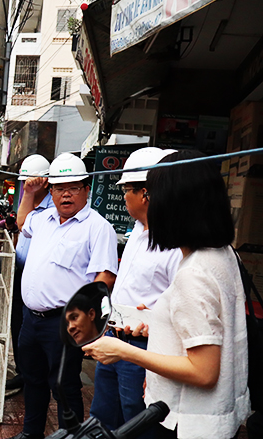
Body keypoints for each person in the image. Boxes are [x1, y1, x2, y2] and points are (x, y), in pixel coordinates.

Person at [83, 150, 250, 439]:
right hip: (215, 417)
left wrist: (123, 351)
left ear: (175, 204)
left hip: (187, 422)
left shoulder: (194, 273)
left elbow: (204, 372)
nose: (148, 202)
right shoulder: (222, 254)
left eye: (151, 193)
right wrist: (157, 322)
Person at [11, 152, 118, 439]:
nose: (66, 194)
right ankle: (30, 433)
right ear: (52, 191)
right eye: (59, 188)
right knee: (33, 380)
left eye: (73, 187)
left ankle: (70, 436)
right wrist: (29, 193)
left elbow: (105, 278)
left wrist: (85, 323)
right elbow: (22, 222)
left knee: (65, 386)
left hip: (65, 322)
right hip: (31, 319)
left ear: (86, 189)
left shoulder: (97, 228)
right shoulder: (43, 219)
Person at [89, 148, 183, 436]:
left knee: (138, 422)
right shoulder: (138, 232)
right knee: (104, 418)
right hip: (116, 338)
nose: (123, 197)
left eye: (127, 190)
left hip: (146, 350)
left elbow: (181, 309)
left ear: (146, 193)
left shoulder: (177, 243)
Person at [6, 155, 54, 390]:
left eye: (30, 182)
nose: (26, 187)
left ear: (45, 182)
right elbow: (20, 224)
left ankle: (34, 374)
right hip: (20, 272)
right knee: (17, 323)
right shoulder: (29, 202)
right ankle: (22, 371)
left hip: (36, 276)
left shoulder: (52, 209)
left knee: (30, 325)